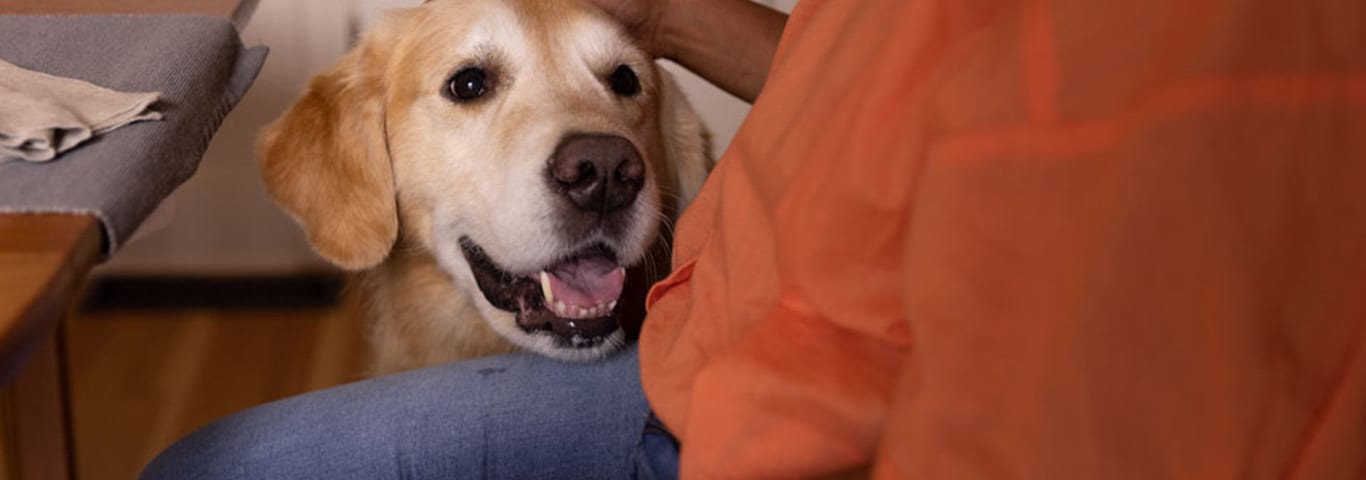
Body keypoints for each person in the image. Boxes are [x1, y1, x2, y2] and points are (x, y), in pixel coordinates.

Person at [144, 0, 1366, 478]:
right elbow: (890, 103)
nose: (593, 146)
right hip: (727, 333)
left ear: (671, 150)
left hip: (783, 406)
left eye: (620, 92)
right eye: (472, 87)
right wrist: (661, 20)